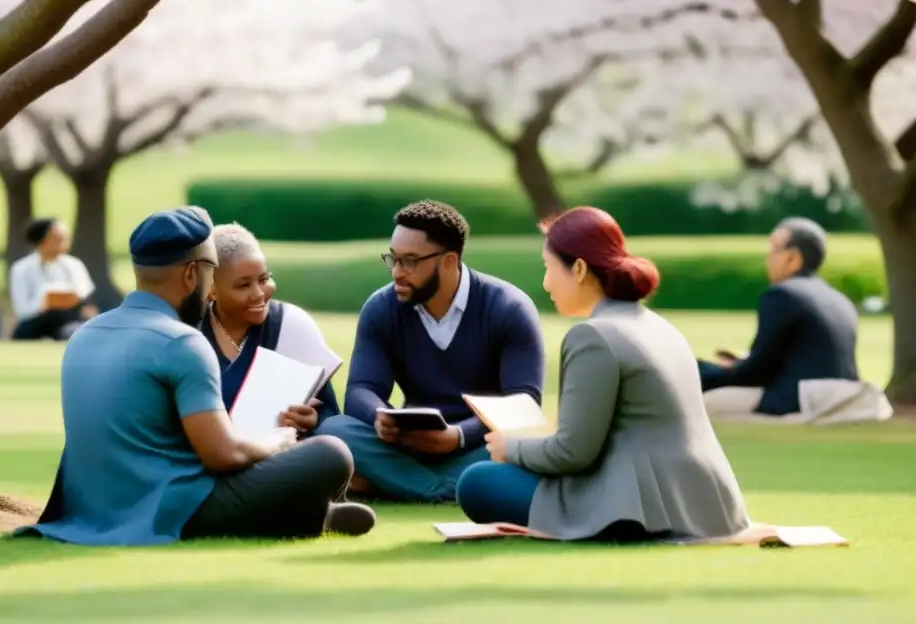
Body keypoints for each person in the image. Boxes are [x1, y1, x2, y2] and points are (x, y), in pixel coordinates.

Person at [16, 206, 375, 546]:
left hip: (88, 508)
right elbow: (223, 455)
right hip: (170, 509)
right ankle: (306, 516)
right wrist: (278, 440)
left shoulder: (84, 334)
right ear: (192, 275)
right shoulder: (183, 341)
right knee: (332, 451)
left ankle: (307, 515)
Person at [455, 206, 750, 542]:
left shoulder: (593, 336)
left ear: (578, 269)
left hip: (639, 508)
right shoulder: (660, 326)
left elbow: (572, 453)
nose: (546, 282)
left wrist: (512, 447)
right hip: (709, 505)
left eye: (548, 268)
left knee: (478, 480)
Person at [318, 200, 546, 503]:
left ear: (449, 261)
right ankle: (446, 490)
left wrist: (459, 436)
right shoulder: (381, 308)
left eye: (410, 261)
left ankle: (395, 484)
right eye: (393, 259)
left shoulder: (508, 308)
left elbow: (523, 402)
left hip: (478, 446)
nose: (397, 273)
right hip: (407, 446)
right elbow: (362, 389)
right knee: (334, 429)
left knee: (522, 442)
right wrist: (379, 418)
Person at [698, 217, 860, 418]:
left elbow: (756, 372)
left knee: (701, 404)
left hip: (796, 401)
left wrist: (706, 374)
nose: (768, 258)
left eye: (773, 250)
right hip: (841, 398)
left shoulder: (782, 294)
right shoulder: (839, 298)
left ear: (793, 258)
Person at [200, 222, 341, 436]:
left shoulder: (292, 326)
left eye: (264, 279)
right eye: (243, 285)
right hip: (210, 458)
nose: (259, 293)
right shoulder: (190, 333)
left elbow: (331, 415)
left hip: (281, 458)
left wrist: (313, 420)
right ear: (212, 291)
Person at [8, 218, 97, 341]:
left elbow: (83, 295)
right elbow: (22, 309)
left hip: (67, 319)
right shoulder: (21, 268)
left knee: (73, 331)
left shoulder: (74, 265)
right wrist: (44, 302)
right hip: (35, 320)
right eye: (57, 239)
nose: (64, 242)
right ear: (41, 240)